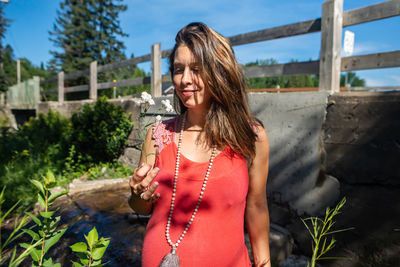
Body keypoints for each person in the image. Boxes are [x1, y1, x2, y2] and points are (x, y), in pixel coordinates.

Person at [129, 22, 271, 267]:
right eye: (178, 69)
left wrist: (264, 263)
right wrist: (137, 194)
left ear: (220, 71)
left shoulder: (251, 136)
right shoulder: (157, 135)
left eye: (196, 68)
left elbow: (257, 205)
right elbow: (141, 208)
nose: (184, 79)